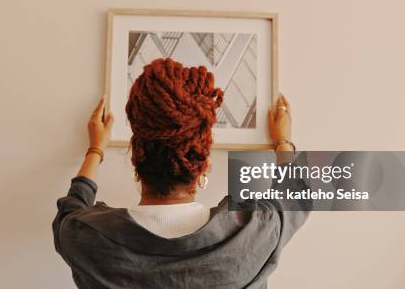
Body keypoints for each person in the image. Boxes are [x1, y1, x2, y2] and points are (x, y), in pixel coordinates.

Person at [53, 58, 309, 288]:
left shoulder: (83, 236)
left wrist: (96, 149)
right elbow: (297, 193)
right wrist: (283, 142)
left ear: (135, 160)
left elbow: (72, 205)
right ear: (203, 166)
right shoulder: (253, 232)